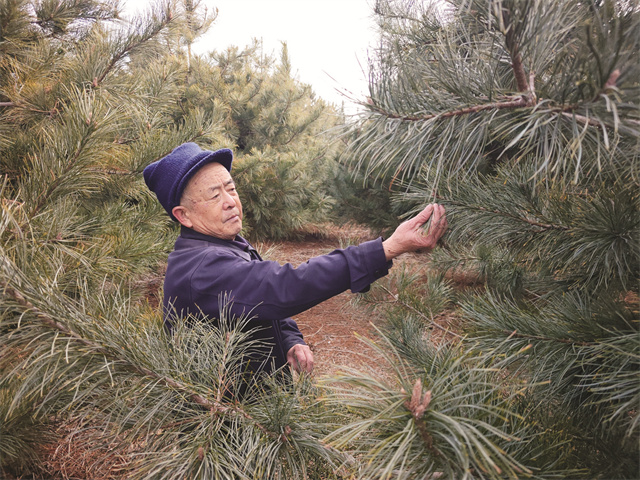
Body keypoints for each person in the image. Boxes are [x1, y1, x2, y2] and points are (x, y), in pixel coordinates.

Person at [143, 142, 447, 381]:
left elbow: (257, 301)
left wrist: (289, 339)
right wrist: (387, 248)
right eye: (214, 196)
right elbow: (283, 287)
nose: (230, 201)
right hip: (228, 422)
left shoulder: (223, 243)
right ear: (184, 216)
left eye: (231, 189)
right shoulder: (201, 269)